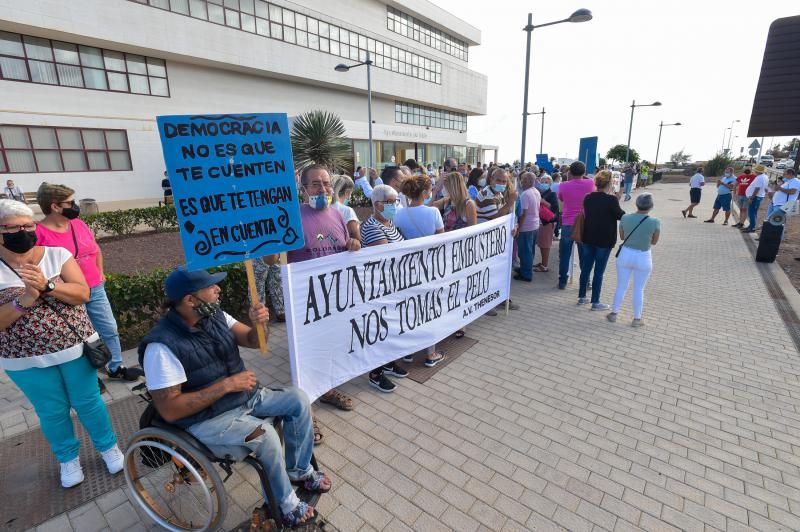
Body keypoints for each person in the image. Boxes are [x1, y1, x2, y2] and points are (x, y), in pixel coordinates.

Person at [140, 267, 328, 527]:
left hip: (243, 397)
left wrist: (259, 324)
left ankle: (298, 470)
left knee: (298, 399)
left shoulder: (215, 315)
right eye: (211, 286)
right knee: (264, 436)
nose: (218, 289)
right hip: (205, 420)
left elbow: (252, 340)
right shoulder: (161, 347)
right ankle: (286, 505)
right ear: (190, 300)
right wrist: (226, 385)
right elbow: (171, 410)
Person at [0, 199, 124, 488]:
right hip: (24, 361)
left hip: (76, 349)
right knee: (52, 411)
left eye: (28, 225)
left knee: (89, 402)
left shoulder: (57, 255)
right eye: (13, 227)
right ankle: (68, 459)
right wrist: (26, 299)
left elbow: (82, 294)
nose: (23, 231)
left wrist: (48, 286)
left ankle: (108, 448)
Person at [35, 183, 143, 388]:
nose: (74, 206)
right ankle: (89, 378)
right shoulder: (39, 234)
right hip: (68, 294)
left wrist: (100, 271)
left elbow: (95, 249)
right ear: (55, 206)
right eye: (70, 202)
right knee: (80, 336)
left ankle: (115, 367)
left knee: (109, 328)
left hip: (95, 287)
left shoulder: (78, 224)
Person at [286, 164, 360, 439]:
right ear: (303, 189)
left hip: (334, 302)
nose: (323, 188)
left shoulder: (338, 215)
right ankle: (308, 415)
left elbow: (347, 247)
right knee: (305, 360)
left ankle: (327, 391)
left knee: (331, 351)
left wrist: (353, 243)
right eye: (316, 184)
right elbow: (272, 260)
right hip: (305, 305)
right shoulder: (293, 217)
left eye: (327, 183)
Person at [392, 174, 447, 368]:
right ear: (425, 193)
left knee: (410, 308)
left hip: (406, 268)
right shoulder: (433, 213)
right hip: (429, 267)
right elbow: (441, 240)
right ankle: (430, 353)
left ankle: (408, 351)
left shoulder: (398, 213)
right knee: (429, 309)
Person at [359, 185, 410, 392]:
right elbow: (385, 257)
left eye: (396, 201)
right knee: (380, 330)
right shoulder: (372, 226)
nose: (396, 205)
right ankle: (375, 373)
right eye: (391, 202)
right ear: (378, 204)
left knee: (391, 329)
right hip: (380, 288)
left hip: (394, 286)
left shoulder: (389, 223)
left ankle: (387, 362)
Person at [608, 193, 661, 327]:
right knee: (639, 289)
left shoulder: (625, 217)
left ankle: (614, 313)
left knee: (621, 285)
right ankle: (637, 319)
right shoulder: (655, 221)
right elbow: (654, 242)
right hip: (643, 256)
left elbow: (622, 236)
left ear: (636, 204)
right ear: (651, 206)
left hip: (625, 254)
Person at [578, 171, 624, 310]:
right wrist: (618, 198)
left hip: (588, 236)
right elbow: (620, 215)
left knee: (586, 268)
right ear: (609, 183)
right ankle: (595, 302)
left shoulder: (588, 197)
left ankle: (582, 297)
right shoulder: (611, 199)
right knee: (599, 271)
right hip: (604, 239)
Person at [557, 161, 595, 290]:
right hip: (584, 223)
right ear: (584, 172)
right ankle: (586, 281)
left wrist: (569, 179)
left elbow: (561, 199)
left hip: (567, 222)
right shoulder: (590, 183)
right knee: (585, 255)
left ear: (570, 172)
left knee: (565, 254)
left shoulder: (563, 185)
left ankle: (562, 281)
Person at [514, 172, 540, 282]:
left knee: (525, 252)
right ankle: (526, 269)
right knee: (530, 251)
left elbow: (523, 214)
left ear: (529, 181)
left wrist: (519, 228)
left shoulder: (525, 194)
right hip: (534, 225)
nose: (522, 182)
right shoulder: (536, 191)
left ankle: (526, 274)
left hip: (527, 227)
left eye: (524, 180)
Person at [535, 175, 559, 272]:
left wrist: (543, 201)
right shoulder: (542, 193)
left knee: (545, 245)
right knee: (542, 244)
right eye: (542, 182)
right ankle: (543, 262)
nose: (544, 184)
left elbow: (553, 208)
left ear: (550, 184)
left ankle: (544, 266)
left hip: (547, 222)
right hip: (542, 222)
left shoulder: (552, 194)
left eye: (546, 182)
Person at [330, 175, 361, 244]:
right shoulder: (347, 210)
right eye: (351, 193)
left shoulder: (326, 207)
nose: (350, 197)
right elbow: (355, 236)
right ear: (347, 192)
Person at [742, 165, 770, 233]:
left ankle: (752, 227)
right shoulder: (765, 177)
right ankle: (751, 226)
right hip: (758, 196)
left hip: (755, 197)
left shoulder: (760, 177)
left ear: (758, 171)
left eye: (755, 170)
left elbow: (757, 188)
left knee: (751, 212)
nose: (754, 171)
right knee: (753, 212)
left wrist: (751, 198)